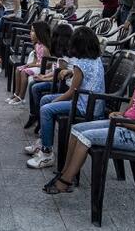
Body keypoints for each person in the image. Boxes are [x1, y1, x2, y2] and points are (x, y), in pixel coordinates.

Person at [44, 49, 135, 194]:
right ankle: (65, 171)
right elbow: (131, 110)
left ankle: (66, 181)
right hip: (123, 124)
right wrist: (120, 114)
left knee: (86, 137)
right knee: (76, 129)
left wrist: (122, 121)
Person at [26, 27, 105, 168]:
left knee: (46, 109)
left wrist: (53, 103)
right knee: (45, 99)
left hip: (84, 106)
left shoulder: (80, 65)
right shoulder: (96, 59)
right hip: (93, 103)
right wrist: (69, 71)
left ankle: (47, 154)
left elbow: (70, 93)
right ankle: (43, 140)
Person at [25, 23, 73, 130]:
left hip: (63, 85)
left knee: (35, 87)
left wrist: (45, 78)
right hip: (59, 81)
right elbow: (57, 71)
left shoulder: (66, 55)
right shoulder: (63, 52)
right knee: (33, 83)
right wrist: (44, 77)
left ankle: (39, 115)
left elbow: (60, 76)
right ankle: (34, 114)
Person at [7, 21, 52, 105]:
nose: (30, 33)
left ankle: (21, 97)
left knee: (24, 72)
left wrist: (34, 65)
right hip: (37, 66)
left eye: (33, 31)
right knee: (18, 69)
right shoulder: (36, 45)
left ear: (39, 33)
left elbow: (48, 64)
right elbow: (36, 59)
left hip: (44, 69)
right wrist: (29, 64)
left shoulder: (44, 48)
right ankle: (16, 93)